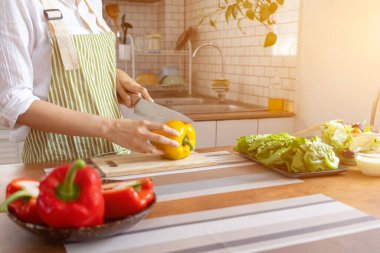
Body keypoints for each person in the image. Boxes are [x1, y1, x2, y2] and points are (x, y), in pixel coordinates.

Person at [0, 0, 180, 163]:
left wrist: (111, 75)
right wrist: (113, 128)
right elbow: (15, 101)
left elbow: (69, 65)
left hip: (114, 160)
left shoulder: (92, 3)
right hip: (57, 164)